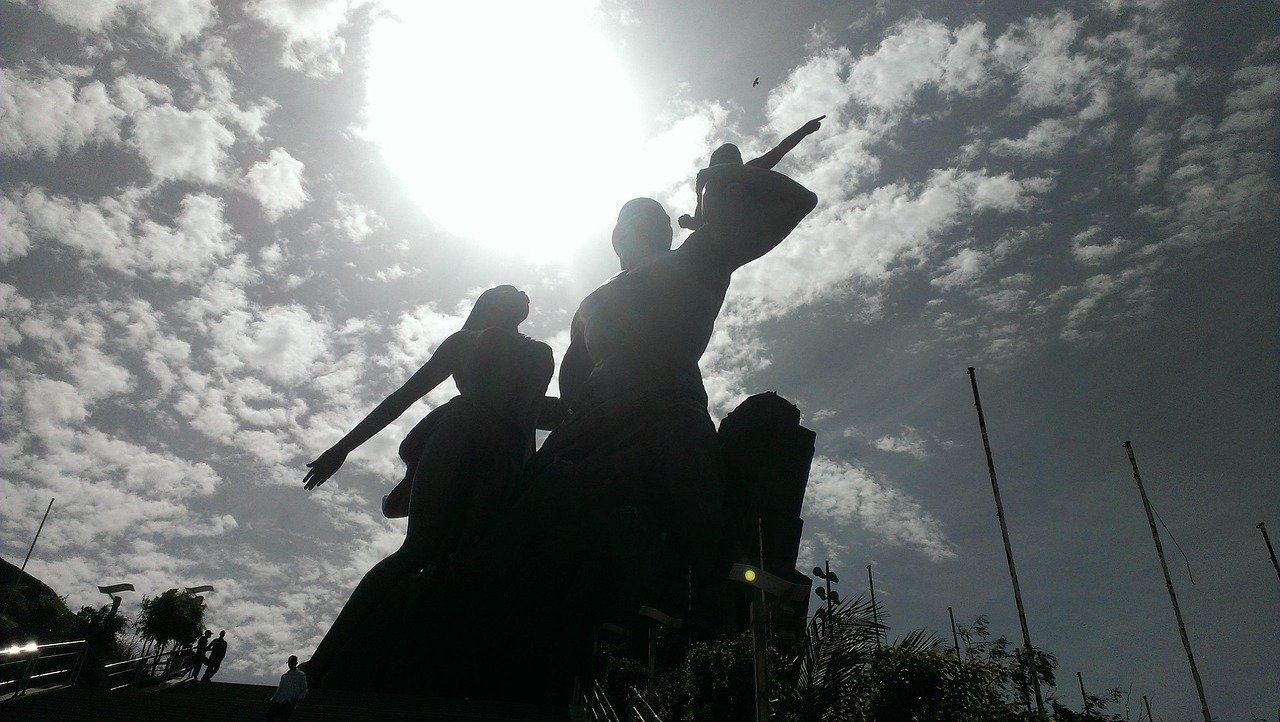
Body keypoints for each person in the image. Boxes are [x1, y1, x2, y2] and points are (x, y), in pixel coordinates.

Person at [301, 285, 554, 686]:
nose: (523, 291)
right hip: (468, 437)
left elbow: (531, 414)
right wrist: (342, 447)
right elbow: (402, 397)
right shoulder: (474, 343)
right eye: (511, 290)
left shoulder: (533, 351)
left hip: (492, 445)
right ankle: (323, 662)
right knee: (418, 550)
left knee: (456, 554)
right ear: (492, 305)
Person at [678, 115, 824, 231]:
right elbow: (698, 221)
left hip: (738, 224)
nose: (726, 159)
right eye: (722, 156)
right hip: (714, 231)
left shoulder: (746, 172)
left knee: (734, 187)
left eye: (732, 156)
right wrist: (689, 221)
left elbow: (779, 150)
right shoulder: (707, 186)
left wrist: (804, 130)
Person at [267, 655, 307, 721]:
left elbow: (304, 689)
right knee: (269, 715)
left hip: (291, 701)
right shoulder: (284, 676)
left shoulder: (301, 675)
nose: (290, 664)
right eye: (289, 663)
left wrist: (298, 699)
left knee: (284, 718)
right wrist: (273, 699)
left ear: (296, 663)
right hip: (280, 700)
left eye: (292, 662)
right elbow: (280, 689)